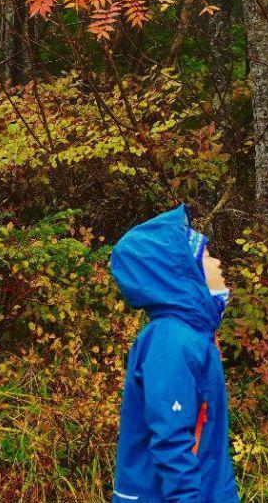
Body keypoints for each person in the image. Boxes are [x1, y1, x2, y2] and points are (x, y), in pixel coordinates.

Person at [109, 205, 238, 503]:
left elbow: (208, 443)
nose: (217, 263)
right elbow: (172, 442)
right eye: (206, 256)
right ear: (186, 272)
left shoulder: (194, 335)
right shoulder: (172, 339)